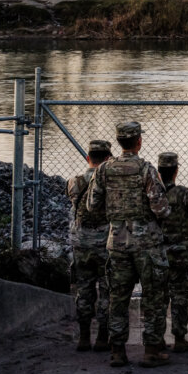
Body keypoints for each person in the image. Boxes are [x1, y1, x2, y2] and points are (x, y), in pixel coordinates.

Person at [85, 121, 171, 368]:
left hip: (117, 242)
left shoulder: (103, 170)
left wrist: (115, 216)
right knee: (153, 297)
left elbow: (92, 205)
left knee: (118, 297)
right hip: (147, 244)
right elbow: (161, 208)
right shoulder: (147, 170)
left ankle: (118, 351)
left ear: (119, 142)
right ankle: (151, 351)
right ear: (139, 142)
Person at [66, 139, 113, 353]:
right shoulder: (110, 185)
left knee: (83, 290)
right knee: (107, 290)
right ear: (108, 159)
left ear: (88, 158)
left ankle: (84, 337)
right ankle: (103, 337)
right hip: (105, 243)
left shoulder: (74, 182)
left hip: (81, 243)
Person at [157, 152, 188, 353]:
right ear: (176, 170)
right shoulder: (185, 195)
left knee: (158, 296)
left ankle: (157, 338)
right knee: (181, 295)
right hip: (181, 252)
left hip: (158, 251)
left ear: (159, 172)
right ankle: (179, 338)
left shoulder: (152, 195)